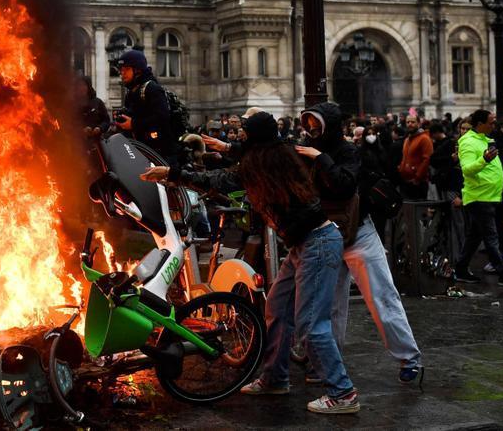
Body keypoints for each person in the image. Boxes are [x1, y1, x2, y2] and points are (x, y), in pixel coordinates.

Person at [140, 112, 361, 414]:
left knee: (311, 323)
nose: (240, 136)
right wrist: (217, 150)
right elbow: (240, 158)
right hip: (305, 243)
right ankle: (274, 378)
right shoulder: (275, 153)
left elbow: (220, 179)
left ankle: (343, 392)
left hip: (318, 243)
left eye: (245, 132)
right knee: (278, 308)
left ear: (254, 138)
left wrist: (172, 174)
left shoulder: (262, 165)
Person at [297, 103, 424, 384]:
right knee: (328, 303)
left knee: (380, 294)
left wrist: (320, 158)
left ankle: (408, 356)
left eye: (316, 124)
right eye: (308, 124)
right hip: (323, 232)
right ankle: (326, 361)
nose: (311, 130)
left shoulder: (348, 151)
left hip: (357, 231)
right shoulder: (305, 149)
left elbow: (344, 184)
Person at [453, 110, 503, 286]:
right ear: (480, 124)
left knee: (474, 237)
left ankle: (460, 269)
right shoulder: (469, 142)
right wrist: (484, 159)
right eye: (491, 123)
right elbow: (467, 169)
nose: (494, 126)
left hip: (490, 195)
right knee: (491, 237)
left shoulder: (484, 138)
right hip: (479, 196)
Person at [115, 49, 175, 164]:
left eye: (126, 69)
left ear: (138, 70)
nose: (122, 73)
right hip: (140, 150)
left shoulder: (152, 88)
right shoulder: (131, 92)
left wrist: (133, 124)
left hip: (160, 153)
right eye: (121, 70)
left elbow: (163, 117)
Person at [397, 114, 434, 200]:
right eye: (408, 122)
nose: (410, 124)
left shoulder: (424, 139)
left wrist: (417, 178)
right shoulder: (407, 139)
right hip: (406, 181)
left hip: (418, 183)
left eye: (413, 122)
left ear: (419, 124)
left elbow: (427, 159)